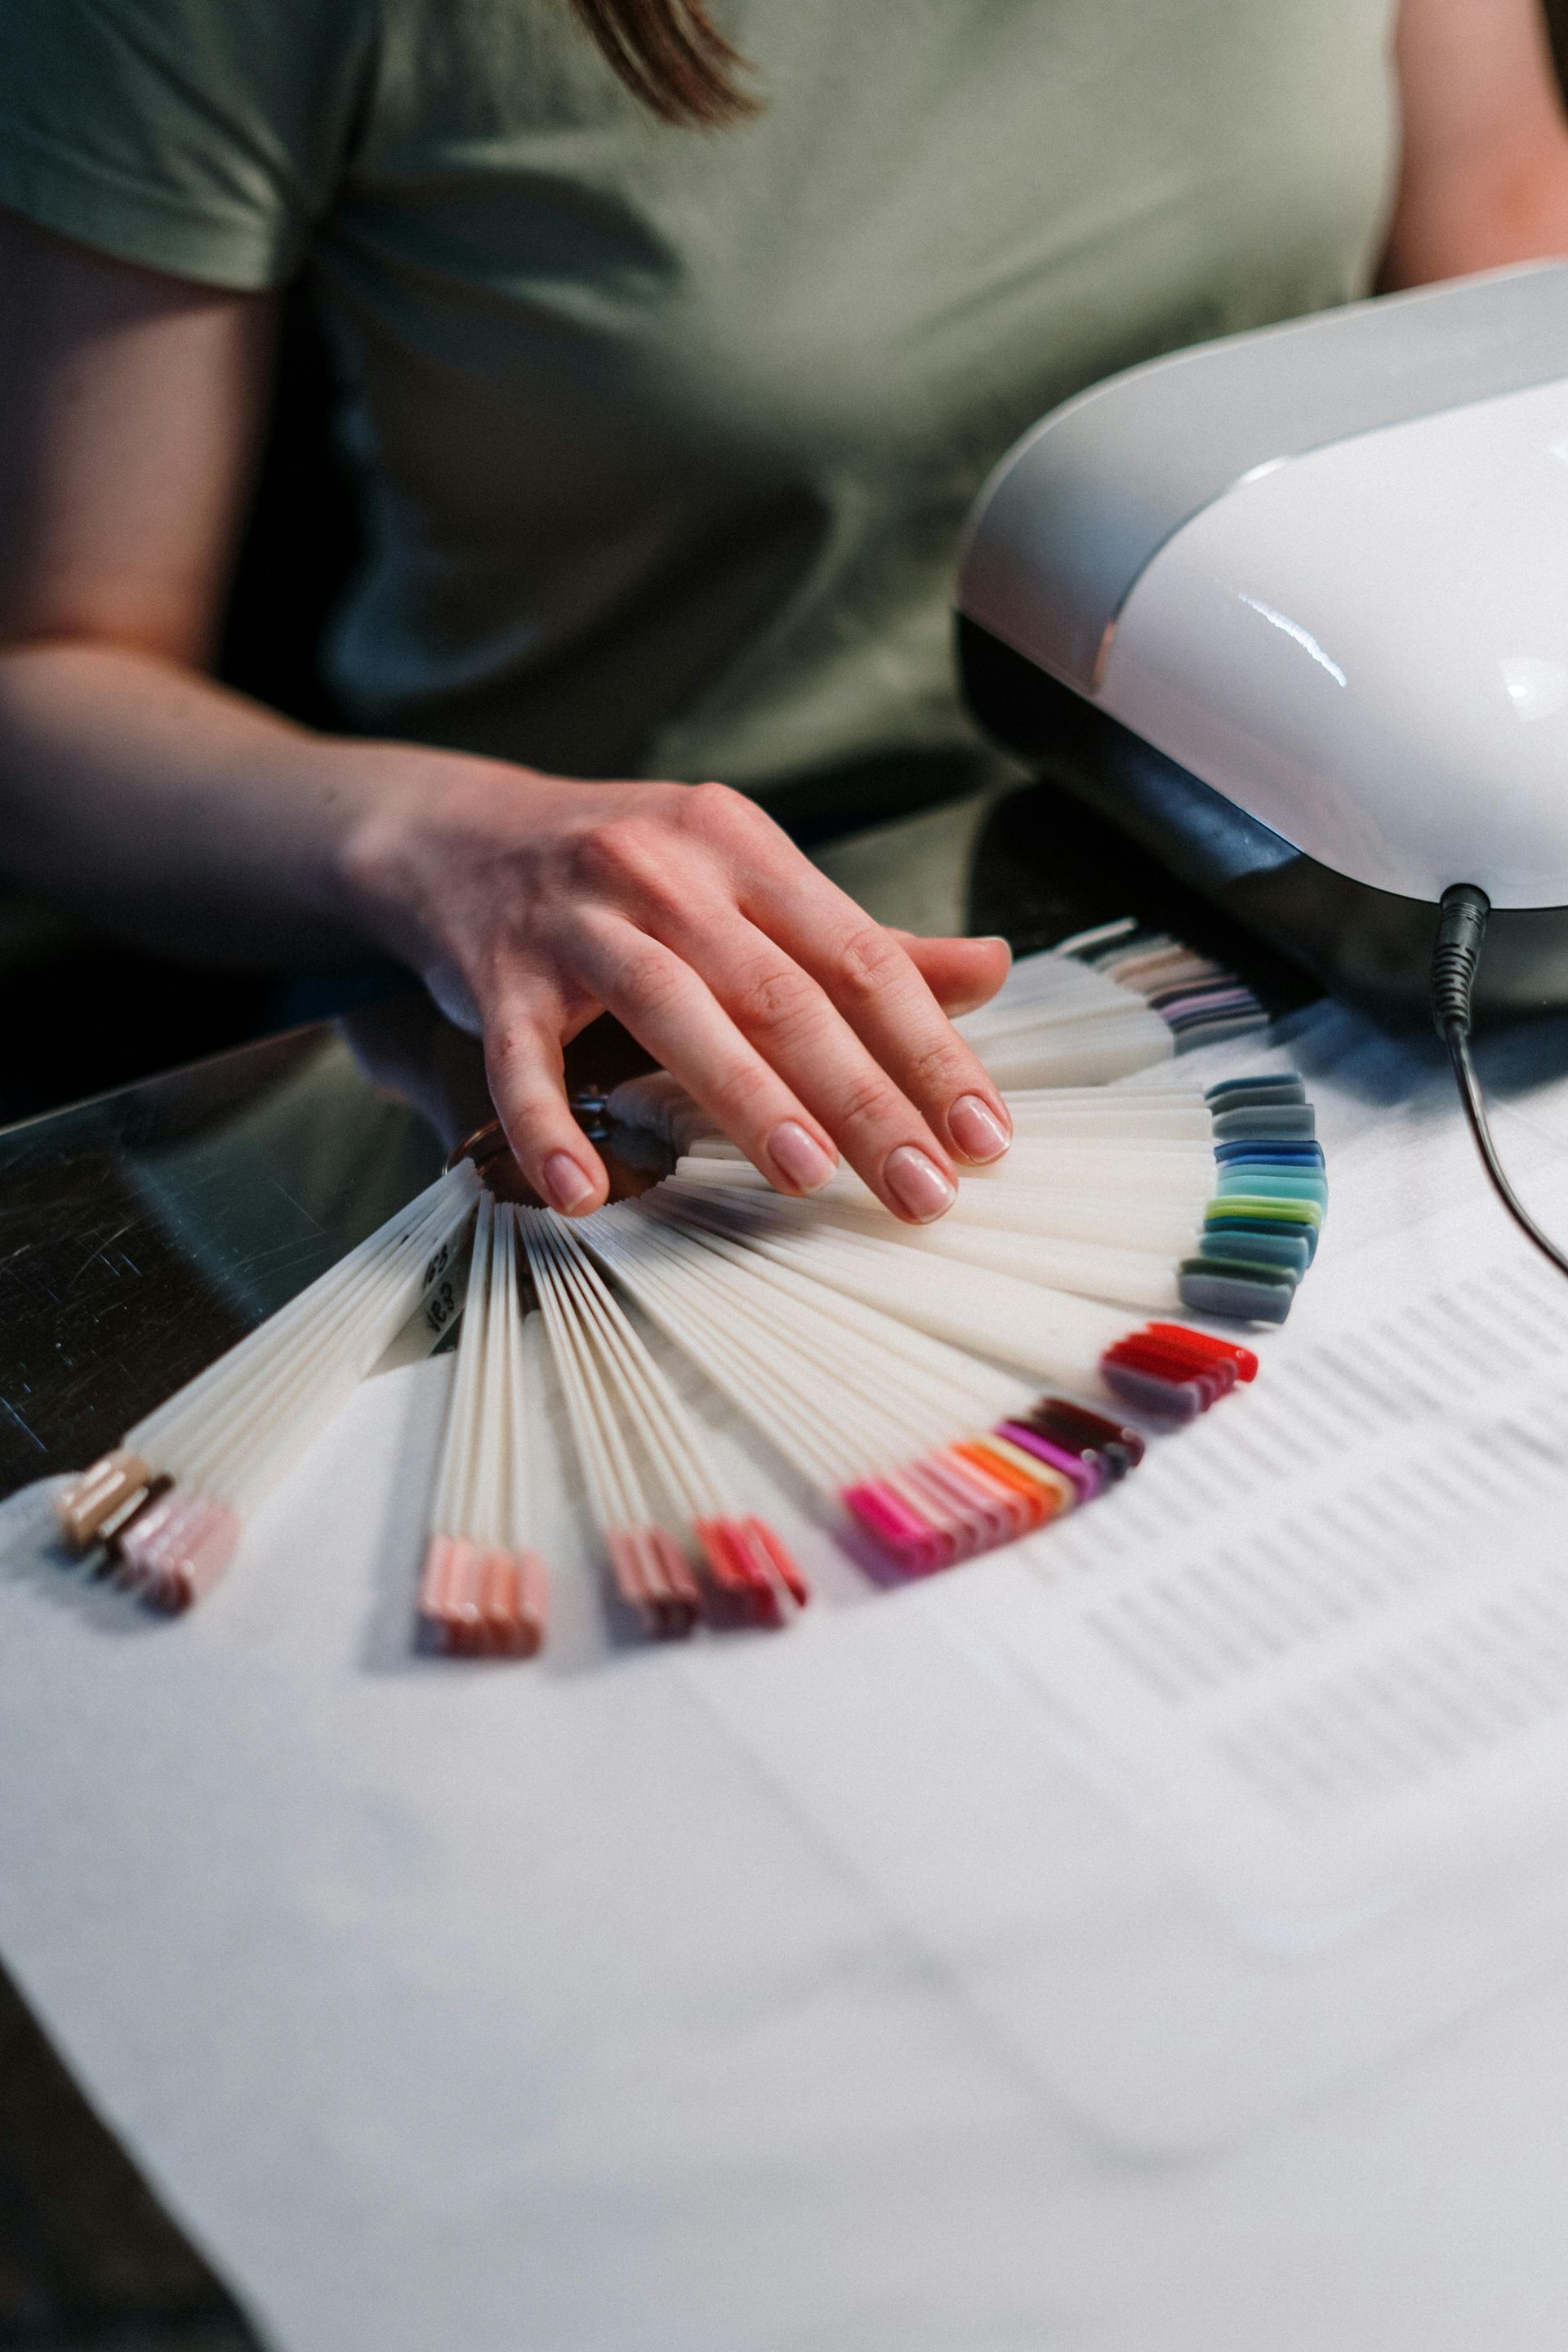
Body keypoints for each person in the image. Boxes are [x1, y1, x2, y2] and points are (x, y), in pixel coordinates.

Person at [0, 0, 1565, 1224]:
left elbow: (1502, 273)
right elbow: (49, 684)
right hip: (603, 1019)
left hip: (1259, 898)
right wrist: (431, 845)